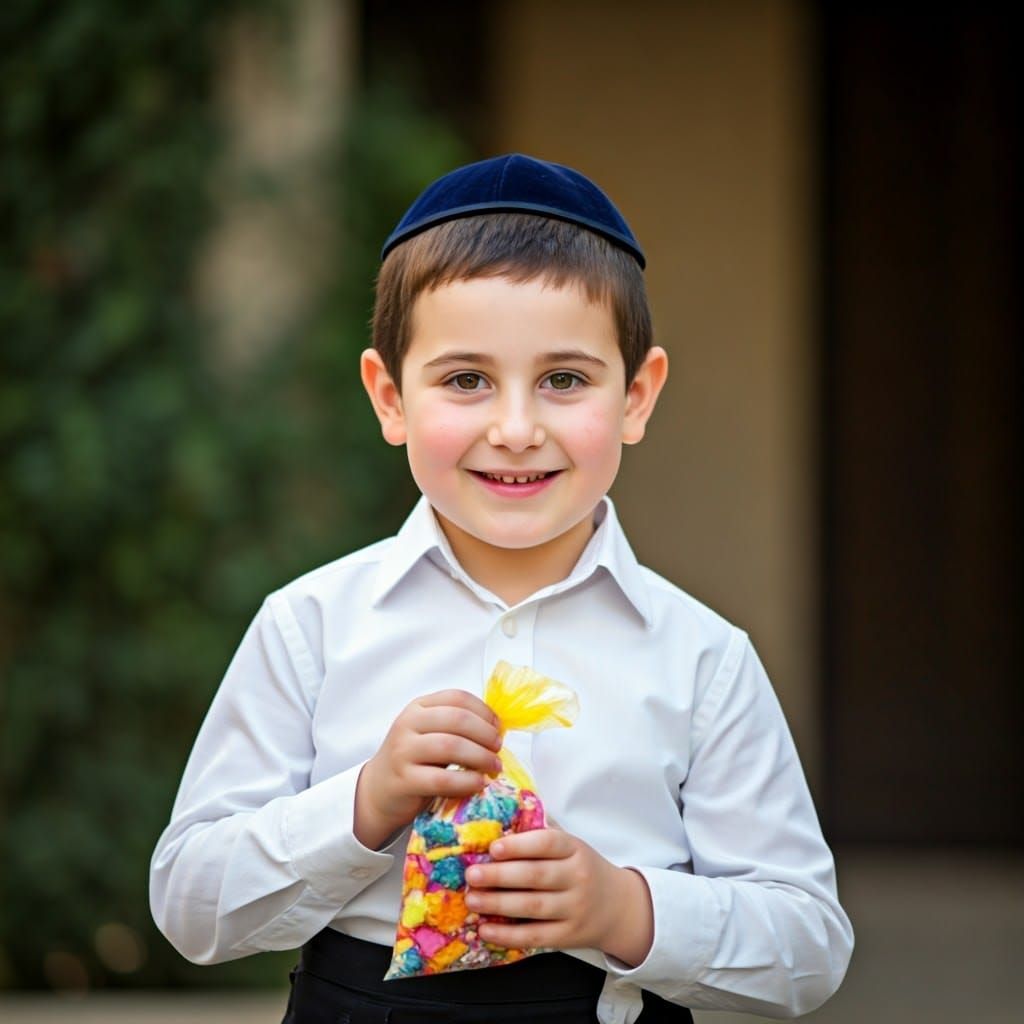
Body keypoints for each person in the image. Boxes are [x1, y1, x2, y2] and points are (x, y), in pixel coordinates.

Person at [150, 153, 854, 1024]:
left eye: (564, 380)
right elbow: (189, 905)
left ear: (637, 396)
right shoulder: (312, 627)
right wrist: (364, 803)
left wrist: (627, 909)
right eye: (465, 379)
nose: (515, 429)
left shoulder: (702, 658)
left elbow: (810, 948)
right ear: (389, 396)